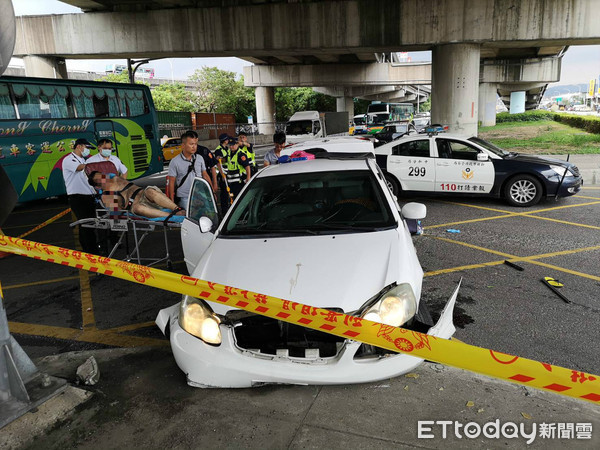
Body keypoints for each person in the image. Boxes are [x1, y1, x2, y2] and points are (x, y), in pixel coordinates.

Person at [88, 171, 184, 219]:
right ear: (97, 186)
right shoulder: (106, 196)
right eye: (99, 180)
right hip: (135, 205)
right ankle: (171, 216)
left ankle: (177, 209)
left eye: (102, 176)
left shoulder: (116, 178)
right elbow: (118, 211)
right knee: (138, 208)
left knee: (150, 190)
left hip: (144, 194)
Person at [62, 138, 98, 254]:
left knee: (88, 225)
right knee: (86, 225)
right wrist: (96, 164)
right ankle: (92, 252)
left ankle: (88, 250)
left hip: (89, 197)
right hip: (78, 198)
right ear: (79, 146)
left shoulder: (83, 159)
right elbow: (79, 168)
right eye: (87, 148)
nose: (88, 151)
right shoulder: (69, 159)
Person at [166, 131, 213, 209]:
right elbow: (171, 181)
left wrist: (212, 192)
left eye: (195, 144)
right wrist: (172, 201)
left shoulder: (199, 158)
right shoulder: (175, 161)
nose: (194, 147)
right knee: (189, 219)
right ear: (183, 145)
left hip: (201, 194)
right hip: (185, 197)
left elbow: (205, 175)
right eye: (191, 144)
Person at [214, 133, 233, 213]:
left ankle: (229, 207)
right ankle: (224, 210)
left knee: (229, 191)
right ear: (225, 141)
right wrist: (222, 175)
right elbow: (218, 163)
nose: (228, 141)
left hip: (228, 173)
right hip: (222, 174)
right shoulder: (219, 150)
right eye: (227, 139)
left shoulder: (226, 149)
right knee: (224, 193)